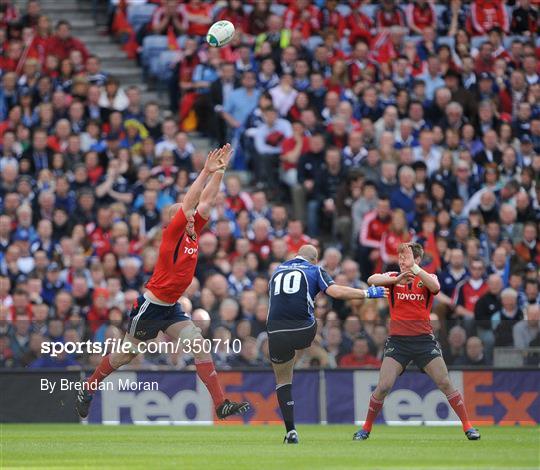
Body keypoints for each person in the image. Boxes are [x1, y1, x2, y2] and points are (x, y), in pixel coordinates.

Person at [75, 144, 249, 420]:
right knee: (125, 356)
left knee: (199, 345)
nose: (194, 216)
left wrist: (220, 172)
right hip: (152, 305)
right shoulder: (172, 234)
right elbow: (193, 202)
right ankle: (88, 387)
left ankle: (220, 404)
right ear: (176, 219)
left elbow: (207, 202)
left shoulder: (193, 231)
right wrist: (205, 171)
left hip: (171, 307)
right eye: (187, 214)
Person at [353, 243, 480, 441]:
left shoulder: (428, 279)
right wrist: (397, 278)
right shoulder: (394, 278)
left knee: (445, 382)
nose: (402, 261)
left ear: (418, 260)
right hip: (398, 342)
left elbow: (436, 288)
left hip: (423, 341)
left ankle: (468, 427)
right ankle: (366, 428)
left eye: (407, 257)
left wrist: (415, 269)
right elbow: (371, 279)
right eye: (401, 257)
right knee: (384, 386)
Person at [266, 244, 386, 444]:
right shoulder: (314, 269)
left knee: (283, 381)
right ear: (314, 259)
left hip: (275, 330)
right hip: (304, 330)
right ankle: (310, 350)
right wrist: (366, 294)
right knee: (318, 318)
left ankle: (291, 432)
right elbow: (335, 292)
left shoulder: (277, 271)